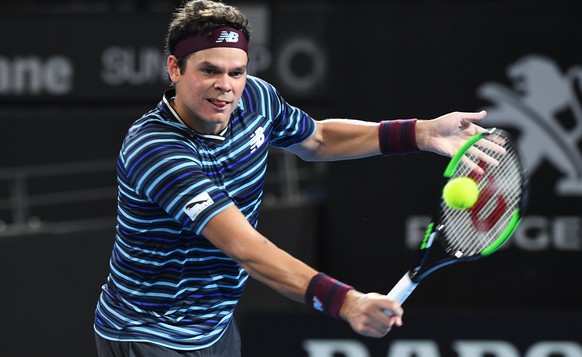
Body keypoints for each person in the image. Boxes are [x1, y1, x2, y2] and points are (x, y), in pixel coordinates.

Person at [93, 0, 489, 355]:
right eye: (209, 70)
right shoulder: (157, 150)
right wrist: (346, 302)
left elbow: (317, 139)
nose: (225, 87)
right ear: (174, 68)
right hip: (147, 334)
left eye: (237, 72)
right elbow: (245, 248)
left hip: (214, 329)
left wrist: (421, 133)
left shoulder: (256, 99)